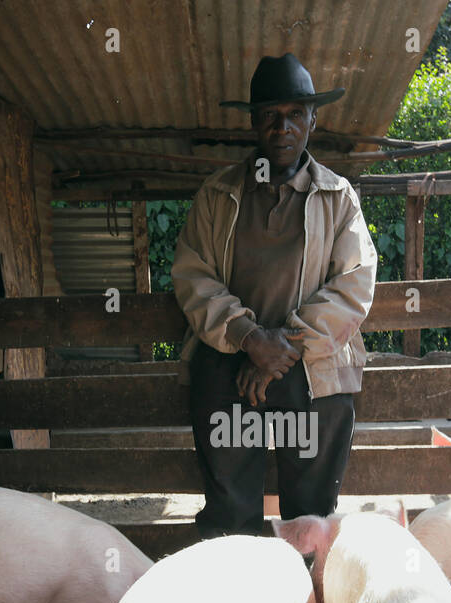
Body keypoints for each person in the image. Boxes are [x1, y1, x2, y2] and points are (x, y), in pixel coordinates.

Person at [172, 53, 377, 538]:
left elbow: (355, 281)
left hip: (311, 370)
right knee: (230, 513)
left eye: (294, 115)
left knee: (309, 516)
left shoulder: (337, 197)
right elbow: (192, 274)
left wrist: (279, 350)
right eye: (269, 115)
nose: (281, 128)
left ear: (312, 121)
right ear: (253, 122)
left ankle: (305, 602)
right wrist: (247, 338)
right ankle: (241, 601)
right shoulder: (218, 195)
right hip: (230, 366)